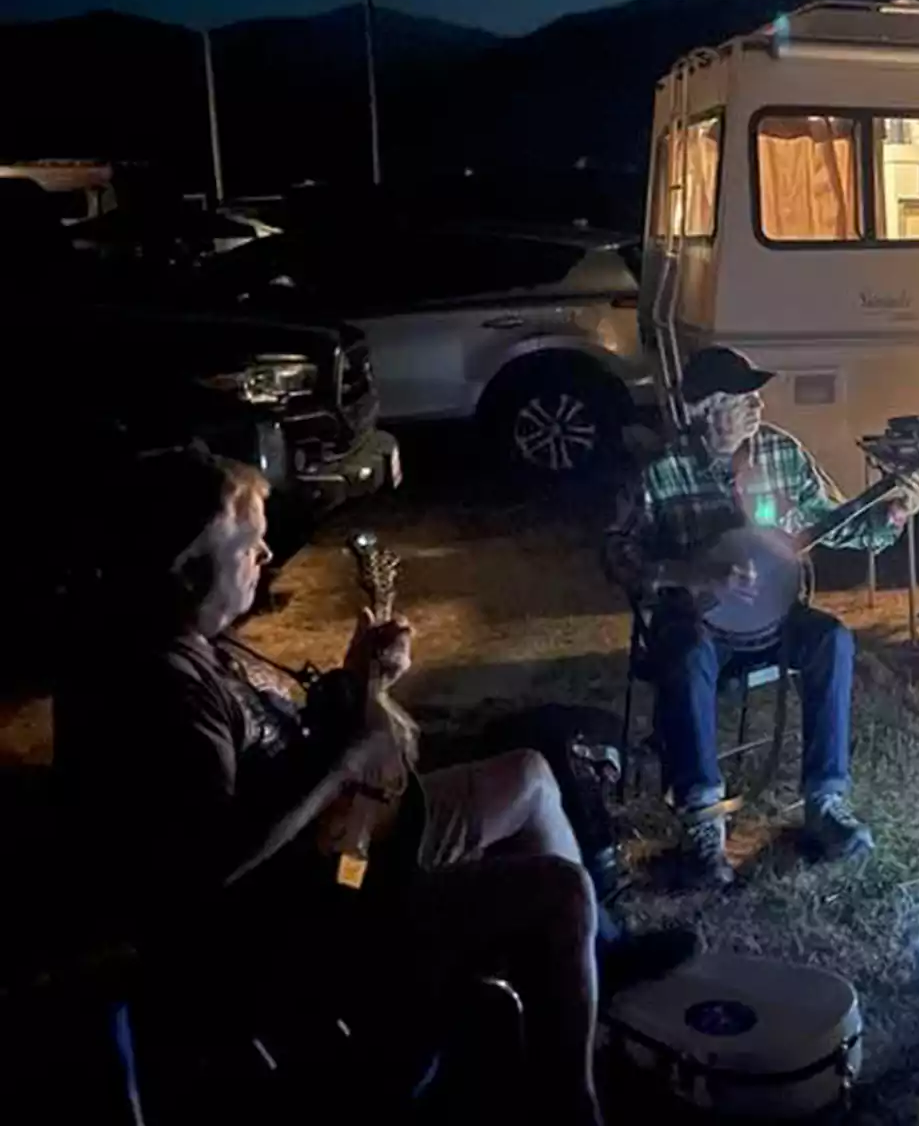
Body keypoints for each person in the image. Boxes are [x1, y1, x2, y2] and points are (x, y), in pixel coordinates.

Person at [54, 447, 688, 1126]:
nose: (267, 554)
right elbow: (208, 863)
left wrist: (362, 683)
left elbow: (296, 754)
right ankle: (569, 1099)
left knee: (530, 776)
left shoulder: (192, 641)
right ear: (186, 566)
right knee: (559, 889)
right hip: (313, 922)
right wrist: (343, 759)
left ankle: (595, 959)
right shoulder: (165, 690)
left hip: (345, 849)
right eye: (248, 544)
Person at [603, 346, 919, 887]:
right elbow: (617, 555)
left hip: (776, 619)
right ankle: (703, 821)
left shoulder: (781, 452)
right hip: (697, 620)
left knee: (832, 638)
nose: (758, 404)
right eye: (741, 397)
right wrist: (692, 573)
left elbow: (830, 522)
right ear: (704, 408)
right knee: (684, 655)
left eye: (757, 394)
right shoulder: (658, 470)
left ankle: (826, 802)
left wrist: (895, 511)